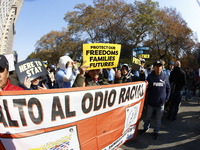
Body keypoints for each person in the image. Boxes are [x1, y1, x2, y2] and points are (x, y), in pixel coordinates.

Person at [140, 60, 170, 140]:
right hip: (151, 102)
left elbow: (168, 88)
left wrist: (166, 99)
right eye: (157, 66)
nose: (158, 68)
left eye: (160, 66)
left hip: (160, 103)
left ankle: (156, 131)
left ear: (162, 67)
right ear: (154, 67)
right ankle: (145, 128)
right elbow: (146, 88)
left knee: (158, 120)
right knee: (147, 118)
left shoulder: (165, 77)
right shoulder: (150, 76)